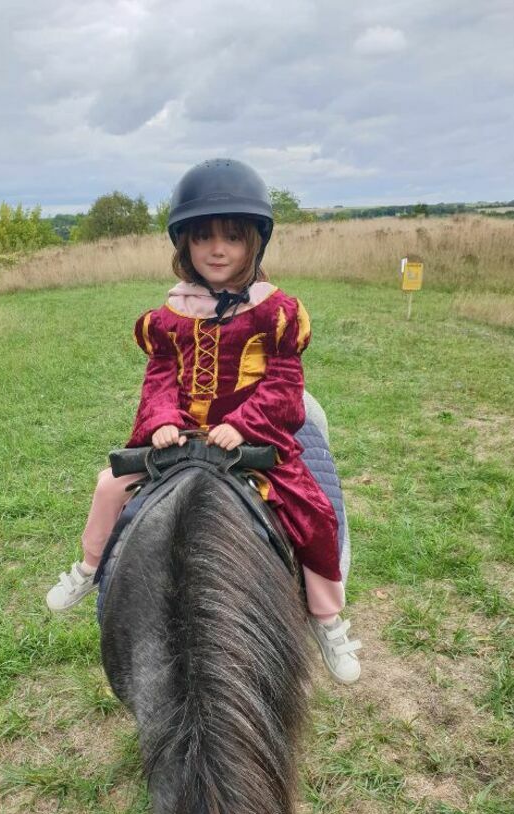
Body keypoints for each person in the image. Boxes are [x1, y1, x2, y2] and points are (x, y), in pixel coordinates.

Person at [46, 158, 361, 685]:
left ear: (254, 244)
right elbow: (161, 375)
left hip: (251, 439)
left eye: (232, 238)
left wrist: (245, 424)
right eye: (204, 238)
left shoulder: (274, 313)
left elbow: (284, 384)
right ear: (184, 246)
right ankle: (91, 566)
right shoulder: (173, 315)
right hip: (182, 438)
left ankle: (326, 619)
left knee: (314, 514)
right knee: (108, 486)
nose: (218, 249)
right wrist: (163, 420)